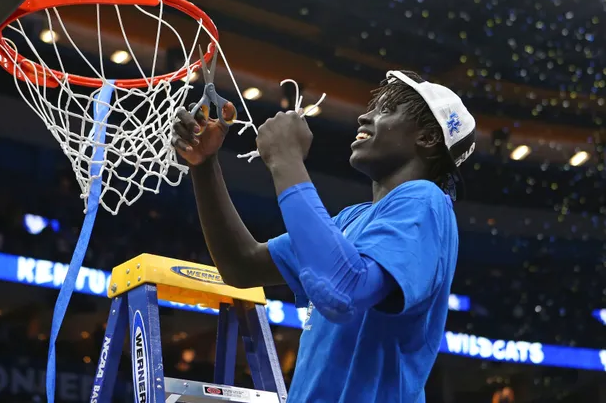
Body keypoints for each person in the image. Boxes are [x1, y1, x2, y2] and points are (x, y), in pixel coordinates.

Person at [171, 70, 476, 402]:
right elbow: (241, 265)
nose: (365, 115)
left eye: (386, 110)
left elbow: (345, 290)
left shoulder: (426, 201)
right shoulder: (352, 218)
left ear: (428, 138)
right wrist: (203, 164)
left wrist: (286, 160)